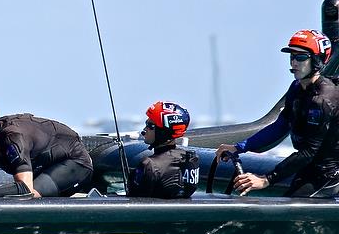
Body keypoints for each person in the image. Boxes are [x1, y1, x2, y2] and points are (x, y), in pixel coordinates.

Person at [216, 29, 339, 197]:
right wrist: (239, 147)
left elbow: (309, 152)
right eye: (292, 57)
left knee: (292, 213)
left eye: (301, 57)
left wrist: (266, 180)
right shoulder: (296, 88)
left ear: (317, 60)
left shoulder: (323, 100)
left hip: (329, 175)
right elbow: (280, 126)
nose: (294, 63)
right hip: (309, 169)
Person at [0, 101, 93, 198]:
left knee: (30, 196)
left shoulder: (12, 138)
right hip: (43, 167)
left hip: (74, 161)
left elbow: (25, 188)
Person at [128, 101, 200, 198]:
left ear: (163, 132)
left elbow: (134, 200)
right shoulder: (192, 160)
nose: (144, 129)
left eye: (150, 126)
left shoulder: (149, 165)